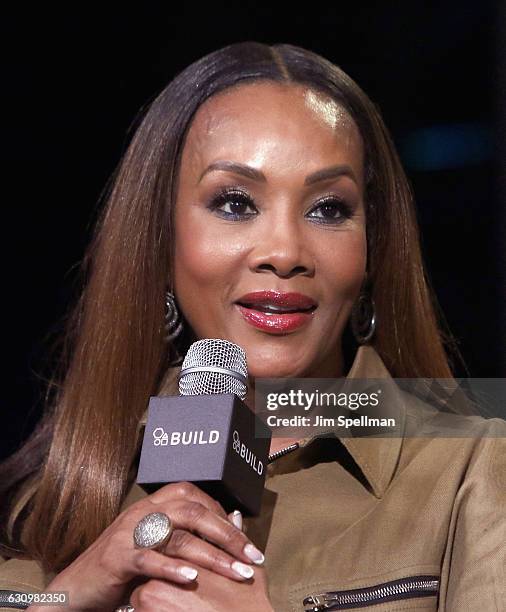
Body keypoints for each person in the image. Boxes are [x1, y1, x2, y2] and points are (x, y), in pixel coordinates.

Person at [0, 41, 505, 612]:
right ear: (161, 241)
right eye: (235, 203)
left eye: (328, 209)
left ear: (372, 253)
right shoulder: (48, 499)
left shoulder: (471, 469)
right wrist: (62, 600)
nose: (285, 251)